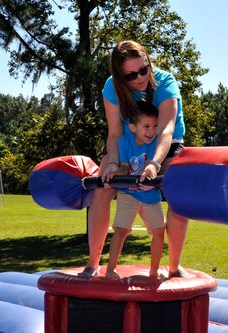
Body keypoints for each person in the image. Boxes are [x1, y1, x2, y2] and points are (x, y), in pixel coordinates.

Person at [80, 40, 191, 278]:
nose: (140, 77)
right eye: (131, 75)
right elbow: (114, 133)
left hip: (166, 144)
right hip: (130, 143)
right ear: (120, 77)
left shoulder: (165, 82)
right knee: (102, 188)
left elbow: (166, 131)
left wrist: (154, 163)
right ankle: (92, 263)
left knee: (178, 194)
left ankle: (174, 266)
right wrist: (111, 163)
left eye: (144, 69)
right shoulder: (111, 88)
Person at [104, 101, 165, 280]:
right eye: (146, 126)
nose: (151, 131)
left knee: (159, 231)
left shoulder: (156, 144)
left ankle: (154, 271)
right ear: (132, 127)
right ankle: (110, 269)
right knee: (121, 230)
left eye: (155, 126)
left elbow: (152, 166)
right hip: (128, 193)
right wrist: (115, 175)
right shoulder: (124, 142)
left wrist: (150, 170)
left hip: (150, 194)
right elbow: (124, 167)